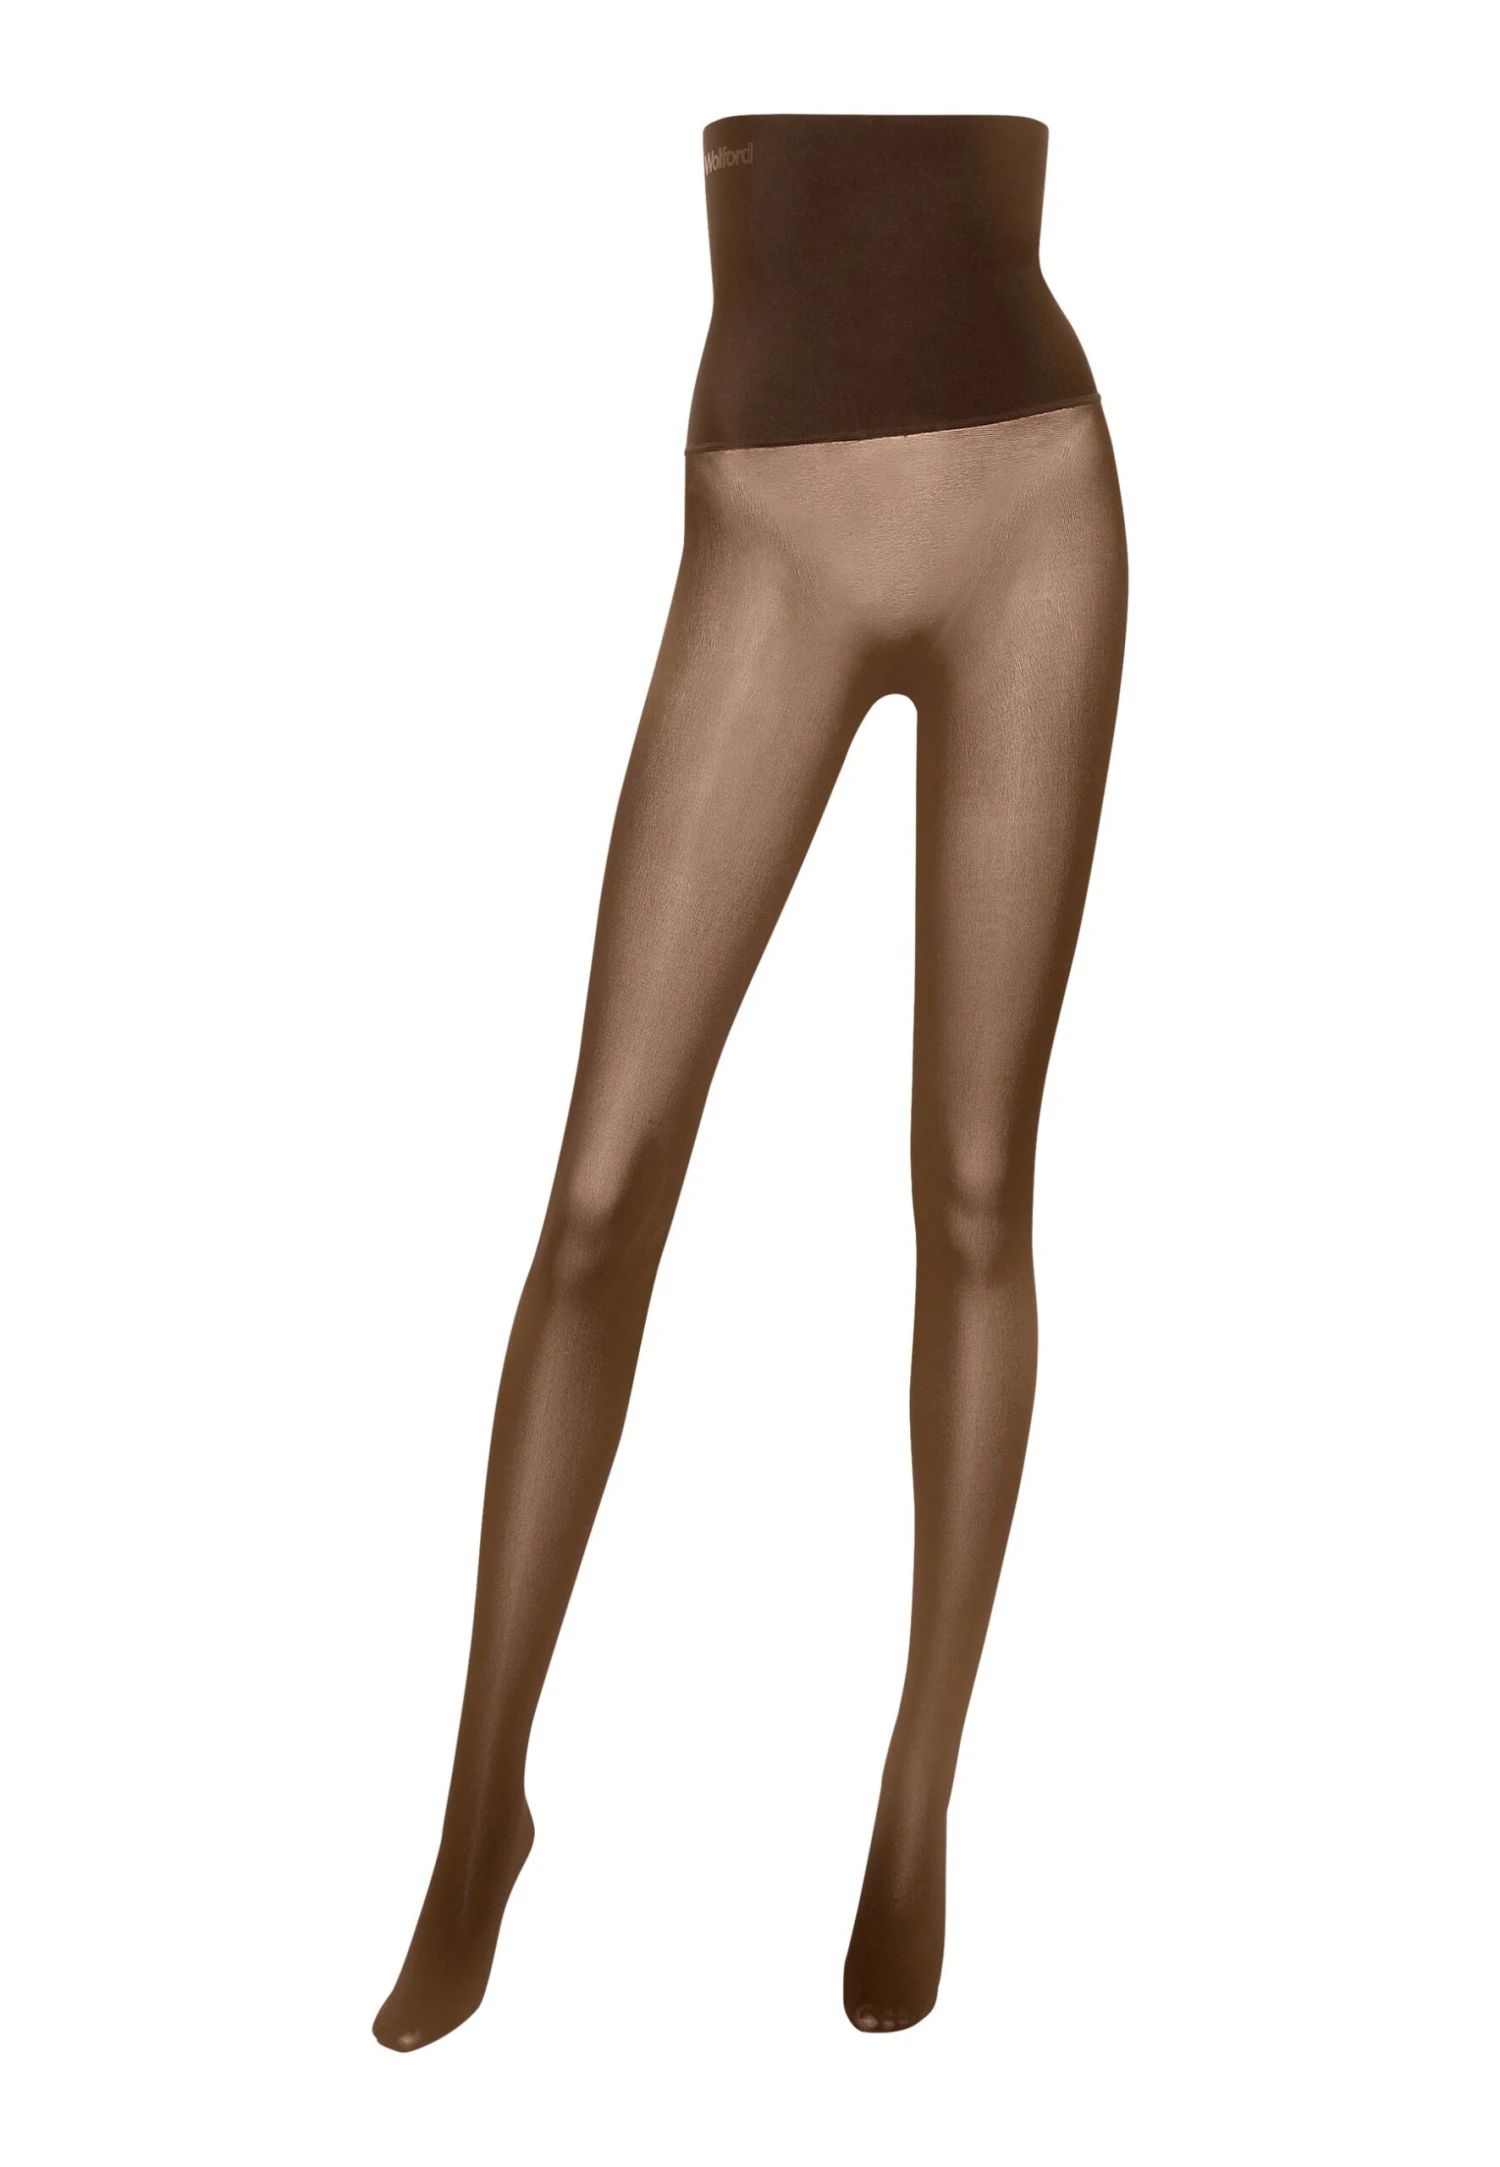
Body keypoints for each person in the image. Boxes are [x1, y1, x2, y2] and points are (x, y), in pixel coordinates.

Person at [374, 111, 1129, 2047]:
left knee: (978, 1183)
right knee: (599, 1194)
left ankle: (914, 1805)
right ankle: (477, 1814)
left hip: (1035, 498)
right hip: (768, 527)